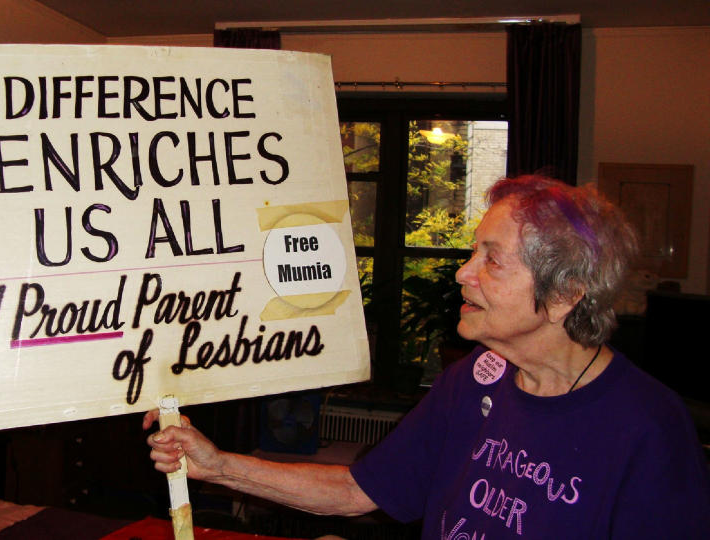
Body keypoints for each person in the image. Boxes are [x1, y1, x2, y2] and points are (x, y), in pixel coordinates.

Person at [145, 175, 710, 538]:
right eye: (472, 252)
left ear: (564, 295)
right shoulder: (472, 382)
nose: (463, 272)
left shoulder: (649, 427)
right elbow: (356, 491)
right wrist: (218, 465)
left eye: (493, 260)